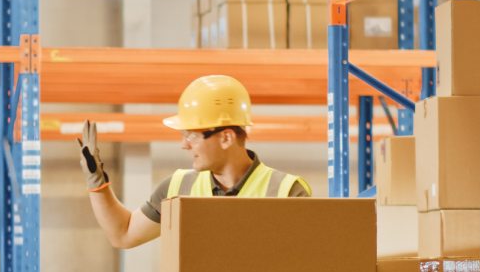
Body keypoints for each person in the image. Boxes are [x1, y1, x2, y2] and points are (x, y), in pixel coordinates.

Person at [77, 74, 310, 251]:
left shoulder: (286, 191)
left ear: (226, 137)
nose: (184, 145)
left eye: (192, 135)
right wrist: (96, 180)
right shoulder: (177, 188)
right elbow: (123, 233)